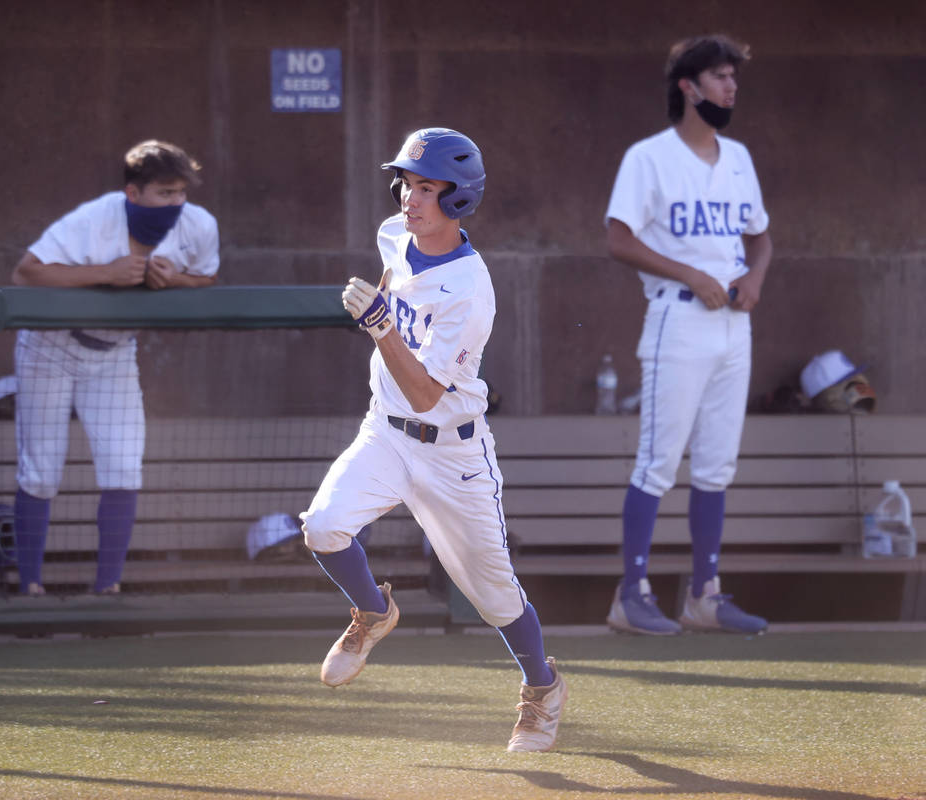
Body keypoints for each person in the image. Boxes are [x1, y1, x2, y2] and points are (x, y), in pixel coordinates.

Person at [300, 128, 567, 752]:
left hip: (452, 451)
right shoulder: (394, 235)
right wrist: (385, 322)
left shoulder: (473, 290)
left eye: (427, 187)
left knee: (494, 595)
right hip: (385, 433)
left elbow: (428, 396)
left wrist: (379, 327)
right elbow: (398, 356)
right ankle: (373, 611)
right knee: (322, 525)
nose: (410, 198)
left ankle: (542, 687)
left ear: (459, 200)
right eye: (406, 183)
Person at [604, 34, 773, 635]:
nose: (731, 88)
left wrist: (755, 275)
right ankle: (631, 594)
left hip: (734, 322)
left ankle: (705, 594)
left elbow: (760, 235)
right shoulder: (649, 157)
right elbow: (619, 237)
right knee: (657, 463)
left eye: (733, 78)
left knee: (717, 465)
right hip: (677, 315)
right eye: (721, 77)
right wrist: (689, 273)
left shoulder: (738, 158)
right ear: (689, 86)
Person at [10, 139, 219, 596]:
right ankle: (30, 589)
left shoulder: (198, 223)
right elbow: (26, 273)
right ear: (133, 193)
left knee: (124, 467)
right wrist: (105, 273)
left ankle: (108, 590)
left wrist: (174, 281)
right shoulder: (96, 217)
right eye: (164, 192)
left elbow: (207, 277)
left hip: (113, 351)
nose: (176, 202)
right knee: (41, 471)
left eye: (181, 191)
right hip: (51, 346)